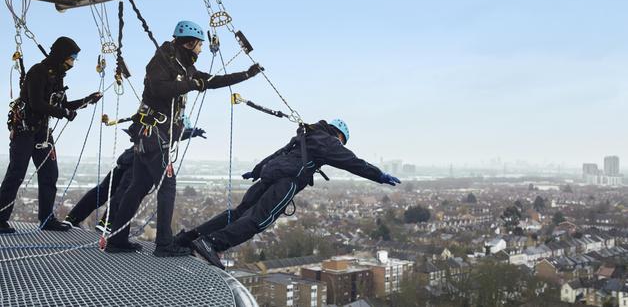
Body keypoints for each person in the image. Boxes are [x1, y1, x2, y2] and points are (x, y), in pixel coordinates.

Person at [105, 21, 263, 257]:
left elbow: (211, 81)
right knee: (166, 186)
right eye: (199, 45)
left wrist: (245, 75)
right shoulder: (163, 60)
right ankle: (164, 245)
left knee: (138, 187)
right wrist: (190, 84)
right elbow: (159, 89)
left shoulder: (183, 66)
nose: (201, 50)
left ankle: (117, 239)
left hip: (150, 135)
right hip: (153, 134)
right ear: (189, 43)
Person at [175, 119, 401, 269]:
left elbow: (278, 153)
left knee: (237, 214)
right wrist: (378, 175)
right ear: (339, 136)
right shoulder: (329, 142)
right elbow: (352, 162)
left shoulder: (306, 135)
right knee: (257, 221)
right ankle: (212, 244)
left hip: (269, 175)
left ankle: (190, 238)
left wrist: (257, 170)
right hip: (287, 181)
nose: (340, 146)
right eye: (342, 142)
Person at [0, 36, 102, 234]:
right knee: (16, 174)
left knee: (49, 174)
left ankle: (46, 219)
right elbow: (37, 103)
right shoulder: (38, 72)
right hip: (25, 131)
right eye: (71, 58)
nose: (72, 63)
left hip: (42, 133)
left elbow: (62, 105)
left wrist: (87, 100)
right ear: (61, 55)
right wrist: (63, 113)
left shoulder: (57, 75)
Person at [63, 127, 206, 233]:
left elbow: (170, 134)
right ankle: (107, 222)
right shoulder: (164, 114)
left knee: (105, 189)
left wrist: (190, 133)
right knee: (124, 192)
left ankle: (73, 218)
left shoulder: (152, 112)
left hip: (128, 157)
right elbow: (170, 134)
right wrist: (190, 133)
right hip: (138, 161)